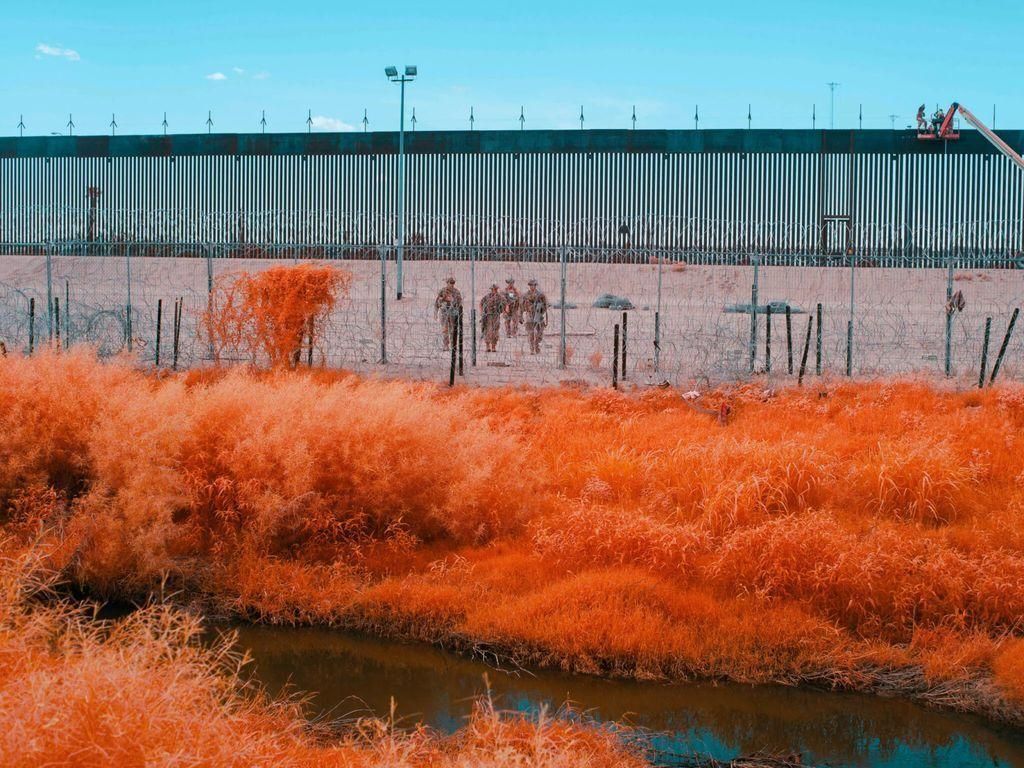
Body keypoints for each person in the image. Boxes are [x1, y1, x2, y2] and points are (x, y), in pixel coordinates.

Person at [520, 278, 548, 355]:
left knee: (539, 333)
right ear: (529, 286)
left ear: (536, 286)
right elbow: (521, 306)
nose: (532, 286)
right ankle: (532, 348)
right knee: (530, 333)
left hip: (538, 315)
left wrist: (541, 311)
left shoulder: (540, 295)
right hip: (529, 315)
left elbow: (545, 305)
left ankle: (536, 345)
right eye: (531, 285)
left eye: (534, 285)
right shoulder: (526, 295)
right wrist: (520, 316)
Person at [434, 277, 463, 351]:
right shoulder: (443, 291)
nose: (452, 285)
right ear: (447, 283)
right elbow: (437, 302)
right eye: (450, 283)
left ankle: (453, 345)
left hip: (453, 312)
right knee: (445, 329)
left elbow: (460, 303)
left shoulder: (456, 292)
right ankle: (446, 345)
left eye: (453, 283)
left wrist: (459, 314)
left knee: (453, 329)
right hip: (444, 312)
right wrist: (436, 313)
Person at [480, 283, 505, 352]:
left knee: (495, 331)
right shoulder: (487, 296)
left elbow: (505, 304)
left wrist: (503, 311)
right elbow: (481, 303)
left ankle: (493, 346)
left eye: (495, 289)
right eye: (493, 289)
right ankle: (487, 346)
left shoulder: (500, 297)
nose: (494, 290)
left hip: (496, 315)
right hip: (488, 315)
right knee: (487, 330)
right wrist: (482, 312)